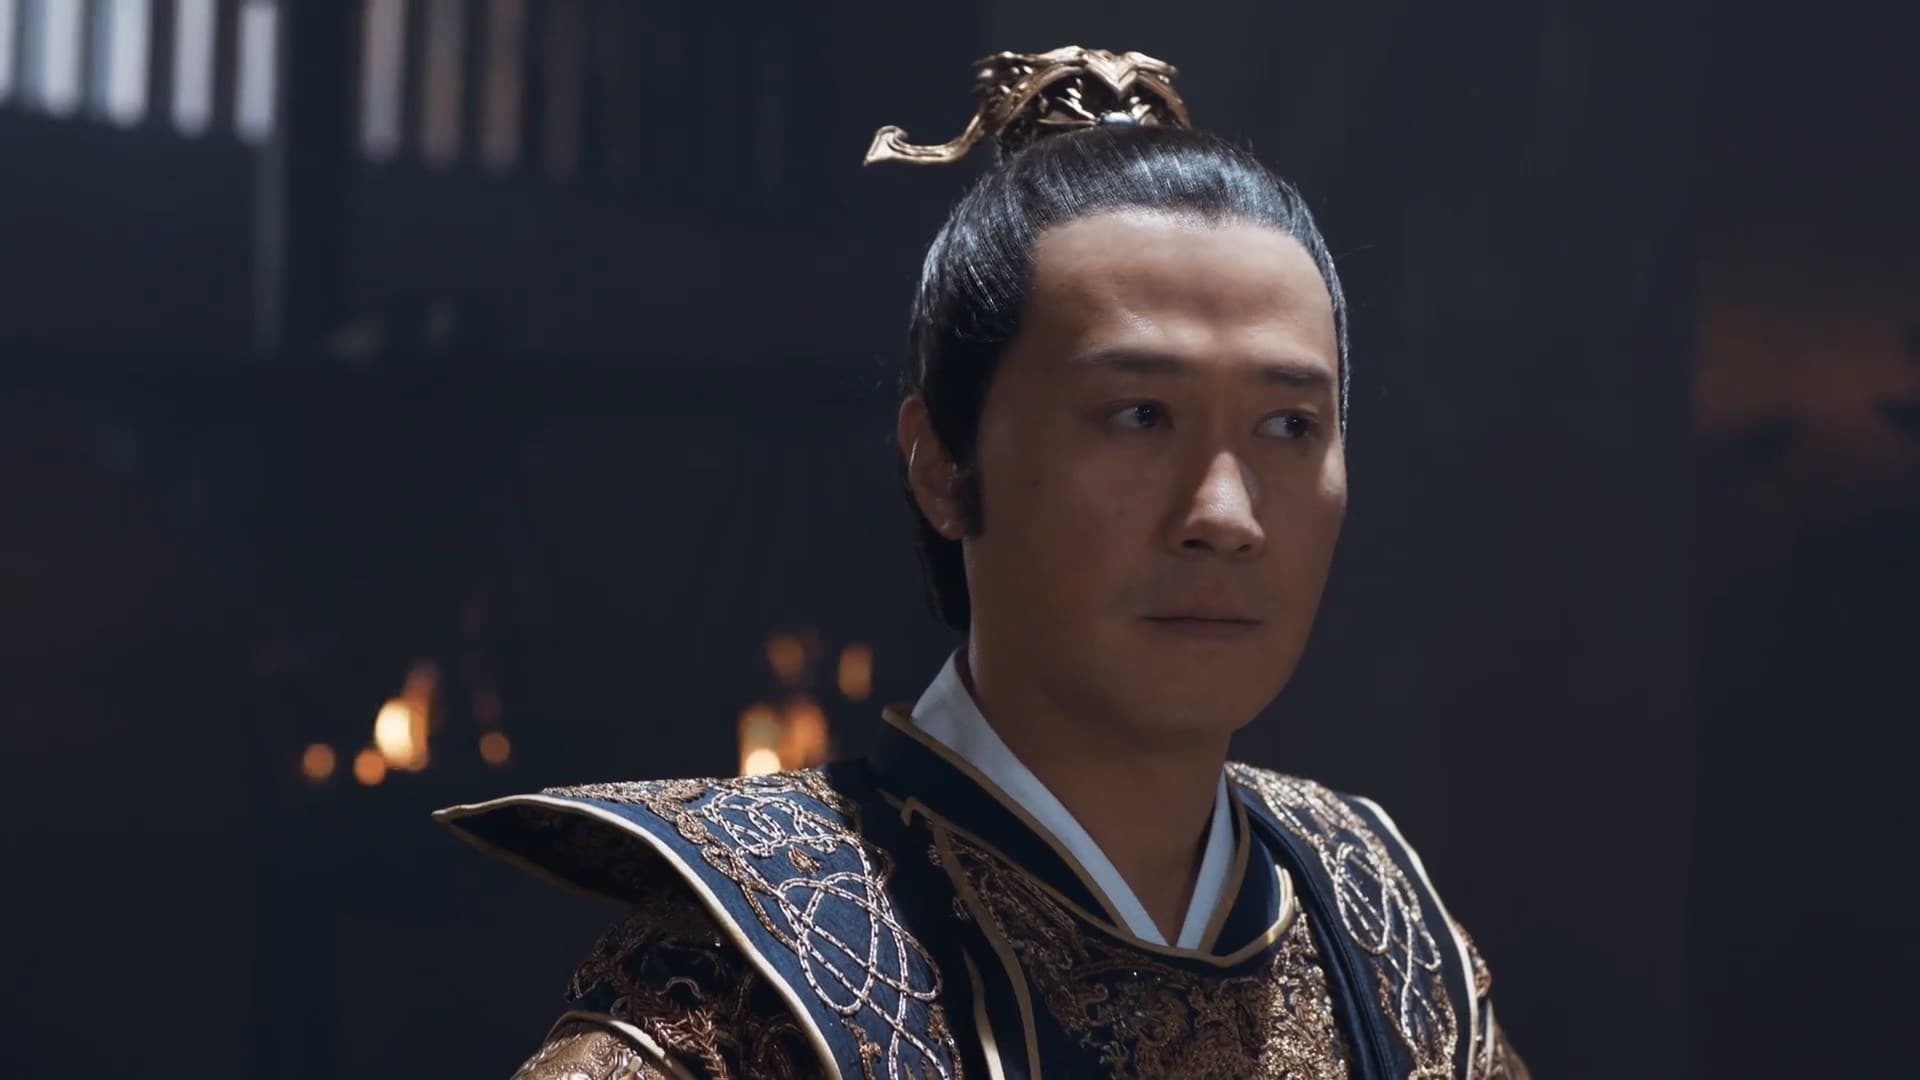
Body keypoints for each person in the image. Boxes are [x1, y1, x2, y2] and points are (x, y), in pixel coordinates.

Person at [438, 45, 1526, 1079]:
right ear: (943, 466)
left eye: (1290, 426)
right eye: (1140, 414)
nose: (1225, 514)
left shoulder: (1376, 930)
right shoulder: (761, 972)